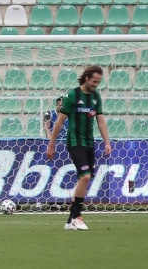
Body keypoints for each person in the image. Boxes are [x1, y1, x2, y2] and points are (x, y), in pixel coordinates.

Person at [46, 66, 111, 231]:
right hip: (75, 142)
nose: (97, 85)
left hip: (90, 143)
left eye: (99, 82)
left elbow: (101, 121)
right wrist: (51, 145)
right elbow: (59, 122)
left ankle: (70, 221)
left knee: (84, 179)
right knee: (86, 177)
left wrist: (107, 142)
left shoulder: (96, 96)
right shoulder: (72, 95)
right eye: (95, 81)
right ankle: (77, 216)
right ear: (87, 78)